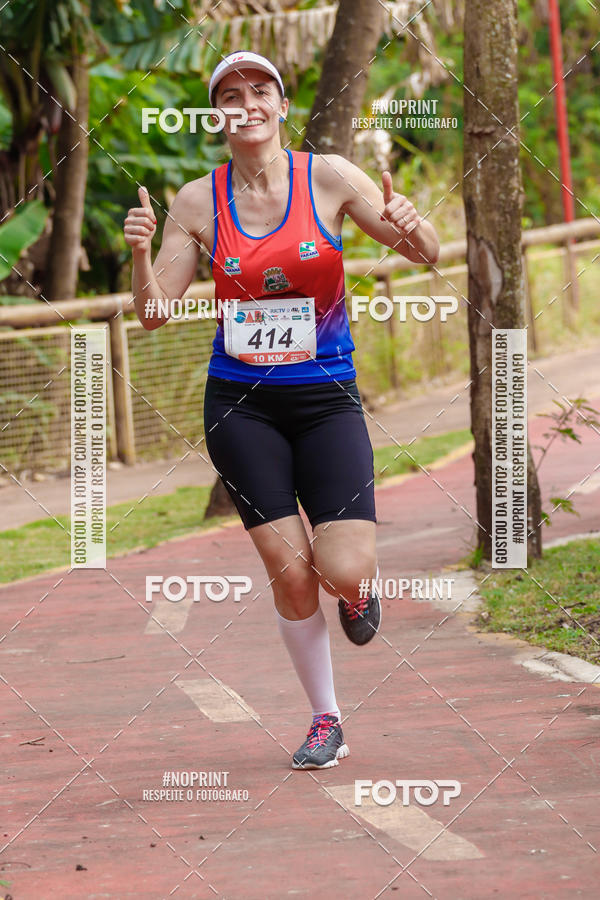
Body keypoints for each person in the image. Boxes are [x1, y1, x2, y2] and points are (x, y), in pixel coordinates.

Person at [125, 51, 440, 770]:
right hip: (240, 406)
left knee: (342, 570)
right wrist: (142, 257)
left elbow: (426, 254)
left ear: (279, 102)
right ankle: (326, 718)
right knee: (291, 571)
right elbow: (152, 314)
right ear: (218, 115)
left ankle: (359, 593)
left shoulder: (327, 175)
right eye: (230, 94)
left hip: (327, 399)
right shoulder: (196, 202)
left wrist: (411, 222)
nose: (247, 102)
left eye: (260, 89)